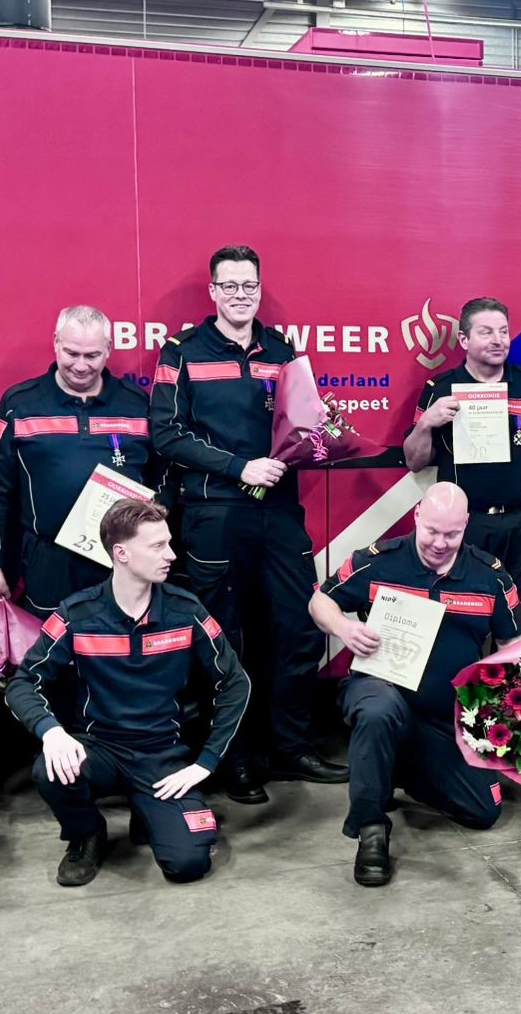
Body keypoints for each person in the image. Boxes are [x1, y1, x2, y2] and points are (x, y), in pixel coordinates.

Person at [149, 244, 347, 804]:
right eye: (230, 285)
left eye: (249, 285)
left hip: (279, 513)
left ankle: (291, 747)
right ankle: (232, 759)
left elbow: (299, 422)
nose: (241, 295)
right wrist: (239, 467)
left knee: (298, 625)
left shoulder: (281, 350)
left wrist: (321, 431)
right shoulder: (181, 352)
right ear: (212, 291)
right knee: (223, 636)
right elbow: (166, 434)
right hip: (215, 515)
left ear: (260, 289)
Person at [6, 498, 250, 886]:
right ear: (121, 553)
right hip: (99, 748)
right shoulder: (77, 613)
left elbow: (235, 682)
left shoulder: (185, 610)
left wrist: (207, 761)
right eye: (157, 546)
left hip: (161, 756)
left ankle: (148, 810)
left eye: (168, 543)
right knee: (50, 770)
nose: (171, 554)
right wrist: (51, 732)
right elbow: (23, 682)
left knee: (188, 864)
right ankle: (86, 834)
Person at [309, 483, 521, 886]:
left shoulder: (489, 576)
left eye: (452, 534)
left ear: (466, 527)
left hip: (446, 716)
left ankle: (394, 766)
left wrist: (506, 709)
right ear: (417, 517)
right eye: (432, 531)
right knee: (377, 712)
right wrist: (343, 627)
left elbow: (513, 643)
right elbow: (320, 600)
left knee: (485, 811)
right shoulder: (379, 562)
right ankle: (371, 827)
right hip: (379, 689)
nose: (440, 543)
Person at [0, 305, 165, 621]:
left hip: (123, 557)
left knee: (120, 652)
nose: (80, 365)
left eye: (91, 355)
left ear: (108, 349)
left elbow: (162, 478)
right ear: (55, 343)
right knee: (52, 655)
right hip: (47, 560)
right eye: (71, 353)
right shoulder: (18, 405)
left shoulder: (137, 404)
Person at [404, 298, 521, 596]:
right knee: (461, 611)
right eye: (486, 332)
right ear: (463, 339)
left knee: (514, 611)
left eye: (504, 332)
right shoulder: (440, 388)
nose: (498, 340)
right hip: (466, 524)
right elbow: (414, 462)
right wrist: (426, 423)